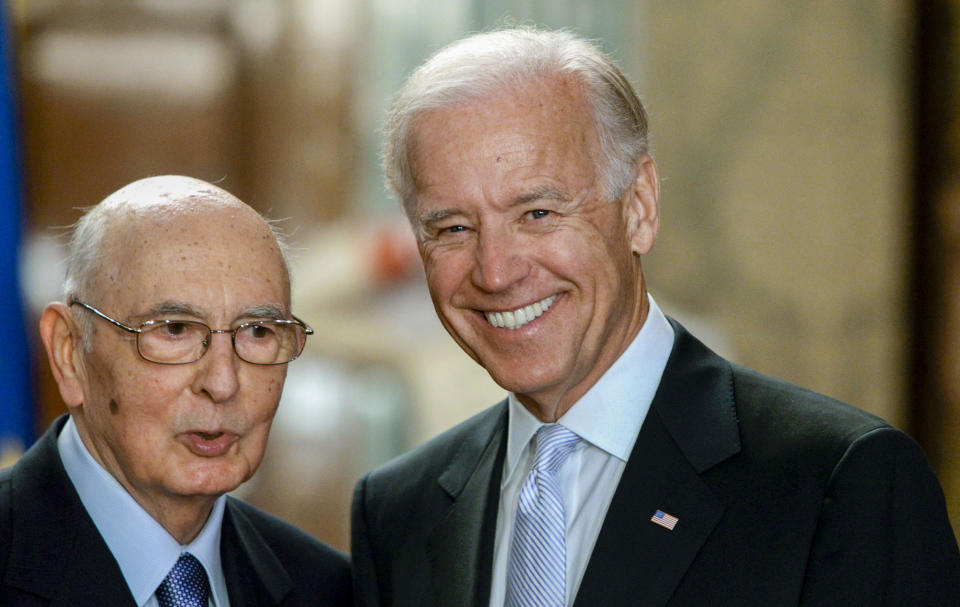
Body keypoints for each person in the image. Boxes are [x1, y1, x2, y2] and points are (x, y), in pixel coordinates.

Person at [350, 27, 960, 607]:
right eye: (453, 228)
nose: (496, 272)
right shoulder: (399, 512)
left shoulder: (837, 483)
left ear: (638, 208)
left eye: (537, 213)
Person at [0, 176, 352, 606]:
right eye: (175, 330)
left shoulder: (328, 587)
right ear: (69, 351)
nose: (222, 383)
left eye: (258, 331)